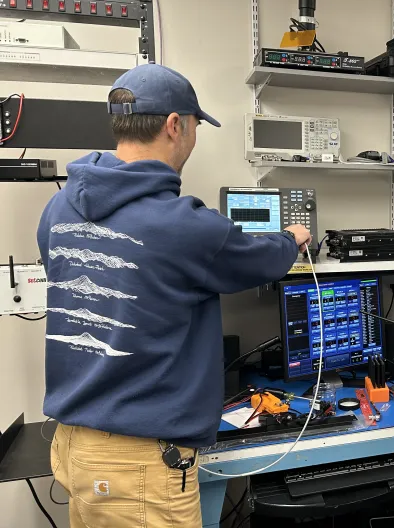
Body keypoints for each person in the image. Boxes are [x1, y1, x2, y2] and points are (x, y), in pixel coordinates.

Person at [37, 64, 311, 527]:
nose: (194, 138)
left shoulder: (59, 207)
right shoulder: (182, 224)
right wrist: (293, 236)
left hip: (75, 447)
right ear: (174, 125)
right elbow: (258, 259)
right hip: (139, 464)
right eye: (196, 126)